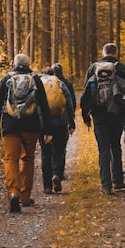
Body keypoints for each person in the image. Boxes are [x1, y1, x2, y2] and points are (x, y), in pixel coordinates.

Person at [0, 53, 52, 212]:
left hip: (10, 126)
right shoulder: (35, 79)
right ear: (28, 63)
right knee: (28, 158)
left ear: (14, 64)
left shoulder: (6, 79)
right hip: (31, 126)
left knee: (11, 159)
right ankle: (25, 195)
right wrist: (47, 130)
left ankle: (13, 193)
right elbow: (44, 106)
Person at [80, 43, 125, 195]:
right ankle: (118, 180)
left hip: (99, 114)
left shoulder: (93, 68)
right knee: (115, 146)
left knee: (103, 149)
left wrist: (85, 116)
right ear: (116, 53)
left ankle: (106, 184)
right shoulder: (121, 68)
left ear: (103, 52)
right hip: (117, 113)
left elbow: (85, 94)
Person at [40, 63, 76, 194]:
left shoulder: (38, 83)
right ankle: (57, 174)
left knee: (45, 153)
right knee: (59, 149)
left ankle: (47, 186)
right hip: (60, 122)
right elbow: (69, 103)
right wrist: (71, 122)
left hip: (43, 124)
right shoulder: (60, 83)